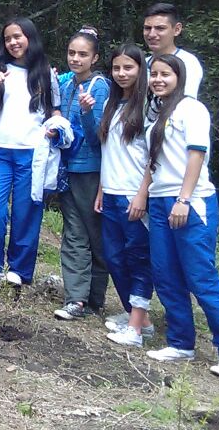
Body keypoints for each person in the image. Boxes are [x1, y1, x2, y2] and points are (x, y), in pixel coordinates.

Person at [135, 54, 219, 379]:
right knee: (165, 274)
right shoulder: (157, 113)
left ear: (179, 78)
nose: (158, 80)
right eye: (154, 74)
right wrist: (147, 193)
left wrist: (183, 199)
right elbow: (154, 161)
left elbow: (197, 155)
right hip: (159, 200)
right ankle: (181, 343)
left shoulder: (192, 109)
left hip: (190, 202)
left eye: (165, 74)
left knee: (200, 276)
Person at [0, 18, 61, 287]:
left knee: (26, 212)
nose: (13, 42)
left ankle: (19, 270)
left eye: (18, 36)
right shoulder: (0, 70)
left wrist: (56, 128)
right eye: (8, 38)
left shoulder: (46, 73)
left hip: (32, 153)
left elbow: (55, 111)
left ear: (30, 37)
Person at [95, 44, 155, 346]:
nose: (121, 73)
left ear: (141, 70)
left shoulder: (148, 107)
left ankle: (135, 329)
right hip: (111, 192)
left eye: (128, 68)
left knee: (137, 259)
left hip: (134, 195)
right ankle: (140, 318)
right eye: (117, 68)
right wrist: (102, 189)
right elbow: (110, 151)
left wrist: (142, 195)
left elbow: (154, 157)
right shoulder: (112, 103)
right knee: (114, 258)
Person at [54, 26, 112, 321]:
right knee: (74, 234)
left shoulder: (99, 87)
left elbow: (98, 136)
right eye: (72, 53)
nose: (75, 59)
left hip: (91, 170)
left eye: (82, 54)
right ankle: (75, 299)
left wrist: (88, 112)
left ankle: (96, 298)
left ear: (95, 58)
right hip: (68, 170)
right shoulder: (67, 85)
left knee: (95, 235)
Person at [142, 2, 204, 99]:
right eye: (147, 28)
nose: (152, 34)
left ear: (177, 29)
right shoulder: (142, 64)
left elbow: (185, 102)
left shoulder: (187, 62)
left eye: (160, 28)